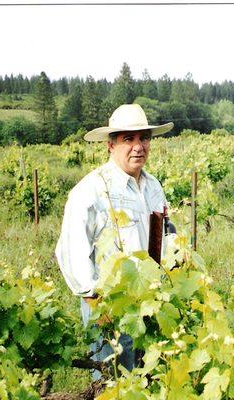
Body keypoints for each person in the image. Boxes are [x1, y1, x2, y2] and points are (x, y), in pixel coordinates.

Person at [55, 103, 174, 379]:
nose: (138, 146)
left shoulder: (153, 186)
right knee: (114, 383)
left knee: (147, 380)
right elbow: (71, 250)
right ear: (111, 145)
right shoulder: (92, 190)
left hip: (149, 301)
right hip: (109, 306)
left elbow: (166, 231)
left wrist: (174, 268)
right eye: (128, 139)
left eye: (144, 138)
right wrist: (95, 301)